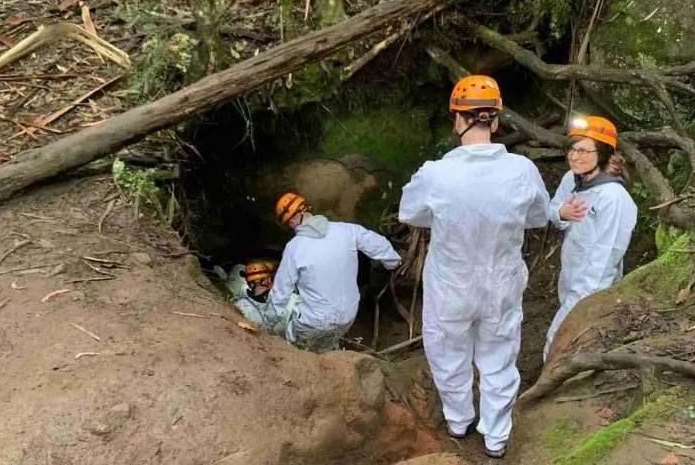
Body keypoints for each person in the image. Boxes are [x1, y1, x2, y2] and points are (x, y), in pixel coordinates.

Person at [399, 75, 549, 459]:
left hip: (451, 284)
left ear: (457, 119)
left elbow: (409, 213)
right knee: (499, 357)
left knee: (448, 351)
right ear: (495, 122)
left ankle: (458, 420)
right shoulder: (522, 171)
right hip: (501, 283)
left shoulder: (436, 173)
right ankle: (496, 438)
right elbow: (537, 217)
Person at [543, 115, 638, 361]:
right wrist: (560, 213)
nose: (575, 156)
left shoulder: (613, 198)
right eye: (572, 149)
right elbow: (553, 210)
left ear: (604, 153)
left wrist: (583, 301)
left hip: (592, 290)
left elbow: (606, 257)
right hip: (569, 277)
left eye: (584, 151)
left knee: (557, 346)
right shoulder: (571, 179)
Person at [269, 192, 401, 352]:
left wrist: (270, 326)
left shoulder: (294, 247)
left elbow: (280, 294)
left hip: (315, 323)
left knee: (291, 341)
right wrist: (393, 263)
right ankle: (333, 351)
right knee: (329, 340)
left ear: (292, 222)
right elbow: (379, 244)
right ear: (306, 209)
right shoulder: (346, 230)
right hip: (348, 316)